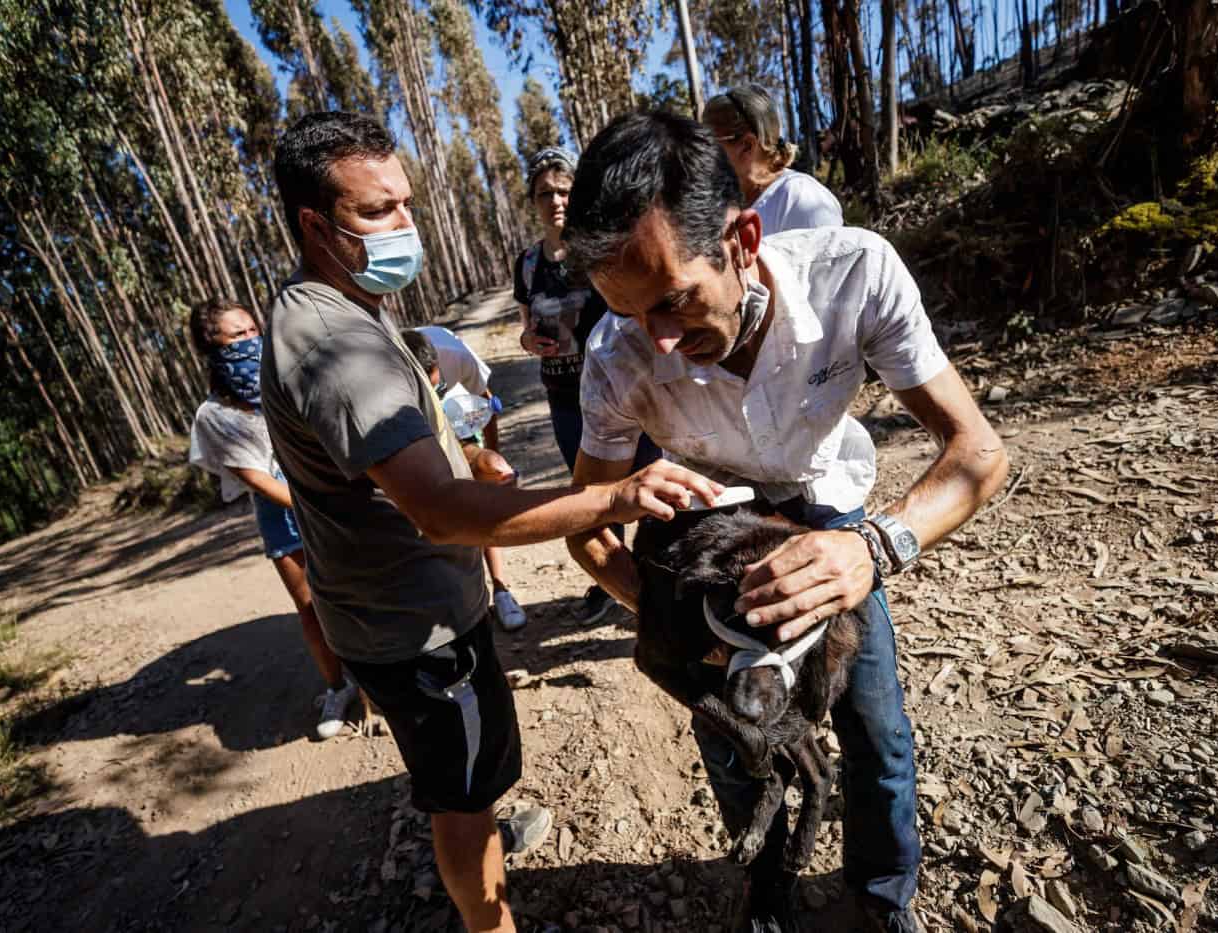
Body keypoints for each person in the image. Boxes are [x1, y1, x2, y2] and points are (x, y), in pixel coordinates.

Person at [260, 111, 722, 933]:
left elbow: (396, 461)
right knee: (462, 793)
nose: (406, 224)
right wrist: (611, 499)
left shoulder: (342, 308)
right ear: (313, 224)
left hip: (405, 608)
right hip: (416, 626)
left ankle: (480, 842)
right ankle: (487, 913)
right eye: (376, 211)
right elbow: (437, 513)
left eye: (405, 202)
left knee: (466, 766)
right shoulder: (330, 339)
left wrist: (466, 454)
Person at [561, 111, 1009, 933]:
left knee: (874, 729)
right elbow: (588, 525)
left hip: (829, 505)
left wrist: (873, 547)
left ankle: (882, 900)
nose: (658, 344)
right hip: (715, 537)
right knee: (737, 740)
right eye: (631, 314)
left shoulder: (854, 273)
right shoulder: (617, 356)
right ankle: (767, 895)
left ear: (742, 237)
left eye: (674, 301)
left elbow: (978, 450)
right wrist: (666, 616)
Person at [186, 298, 360, 741]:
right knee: (311, 610)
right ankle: (338, 686)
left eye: (251, 330)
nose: (250, 340)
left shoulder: (290, 376)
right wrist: (315, 503)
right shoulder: (215, 416)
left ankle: (379, 680)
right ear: (212, 346)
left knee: (358, 594)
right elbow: (256, 479)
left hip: (333, 496)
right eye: (237, 335)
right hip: (286, 517)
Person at [513, 147, 664, 625]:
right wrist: (529, 340)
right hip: (564, 398)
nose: (555, 201)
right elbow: (524, 324)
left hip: (623, 395)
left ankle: (661, 576)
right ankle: (612, 581)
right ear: (533, 201)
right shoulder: (528, 264)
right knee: (593, 496)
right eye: (544, 193)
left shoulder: (598, 249)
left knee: (648, 484)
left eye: (563, 191)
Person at [402, 326, 528, 631]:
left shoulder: (458, 358)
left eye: (438, 386)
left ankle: (501, 590)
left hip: (459, 414)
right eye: (427, 390)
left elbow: (486, 405)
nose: (433, 393)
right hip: (412, 427)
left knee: (479, 506)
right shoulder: (386, 381)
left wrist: (491, 464)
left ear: (439, 368)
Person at [702, 85, 844, 234]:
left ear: (747, 146)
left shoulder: (800, 197)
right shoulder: (721, 206)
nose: (704, 154)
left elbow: (829, 254)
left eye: (710, 144)